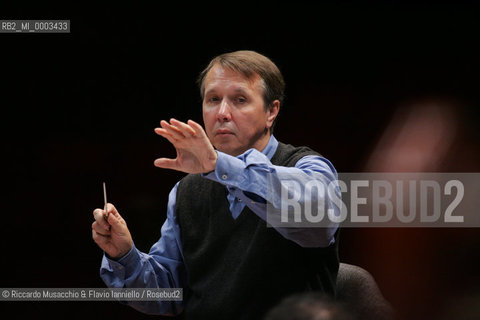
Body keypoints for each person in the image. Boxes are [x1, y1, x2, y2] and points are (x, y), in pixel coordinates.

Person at [91, 50, 340, 320]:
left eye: (239, 100)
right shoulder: (186, 191)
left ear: (271, 111)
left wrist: (220, 166)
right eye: (213, 100)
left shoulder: (308, 166)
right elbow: (169, 293)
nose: (222, 113)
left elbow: (318, 220)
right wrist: (125, 256)